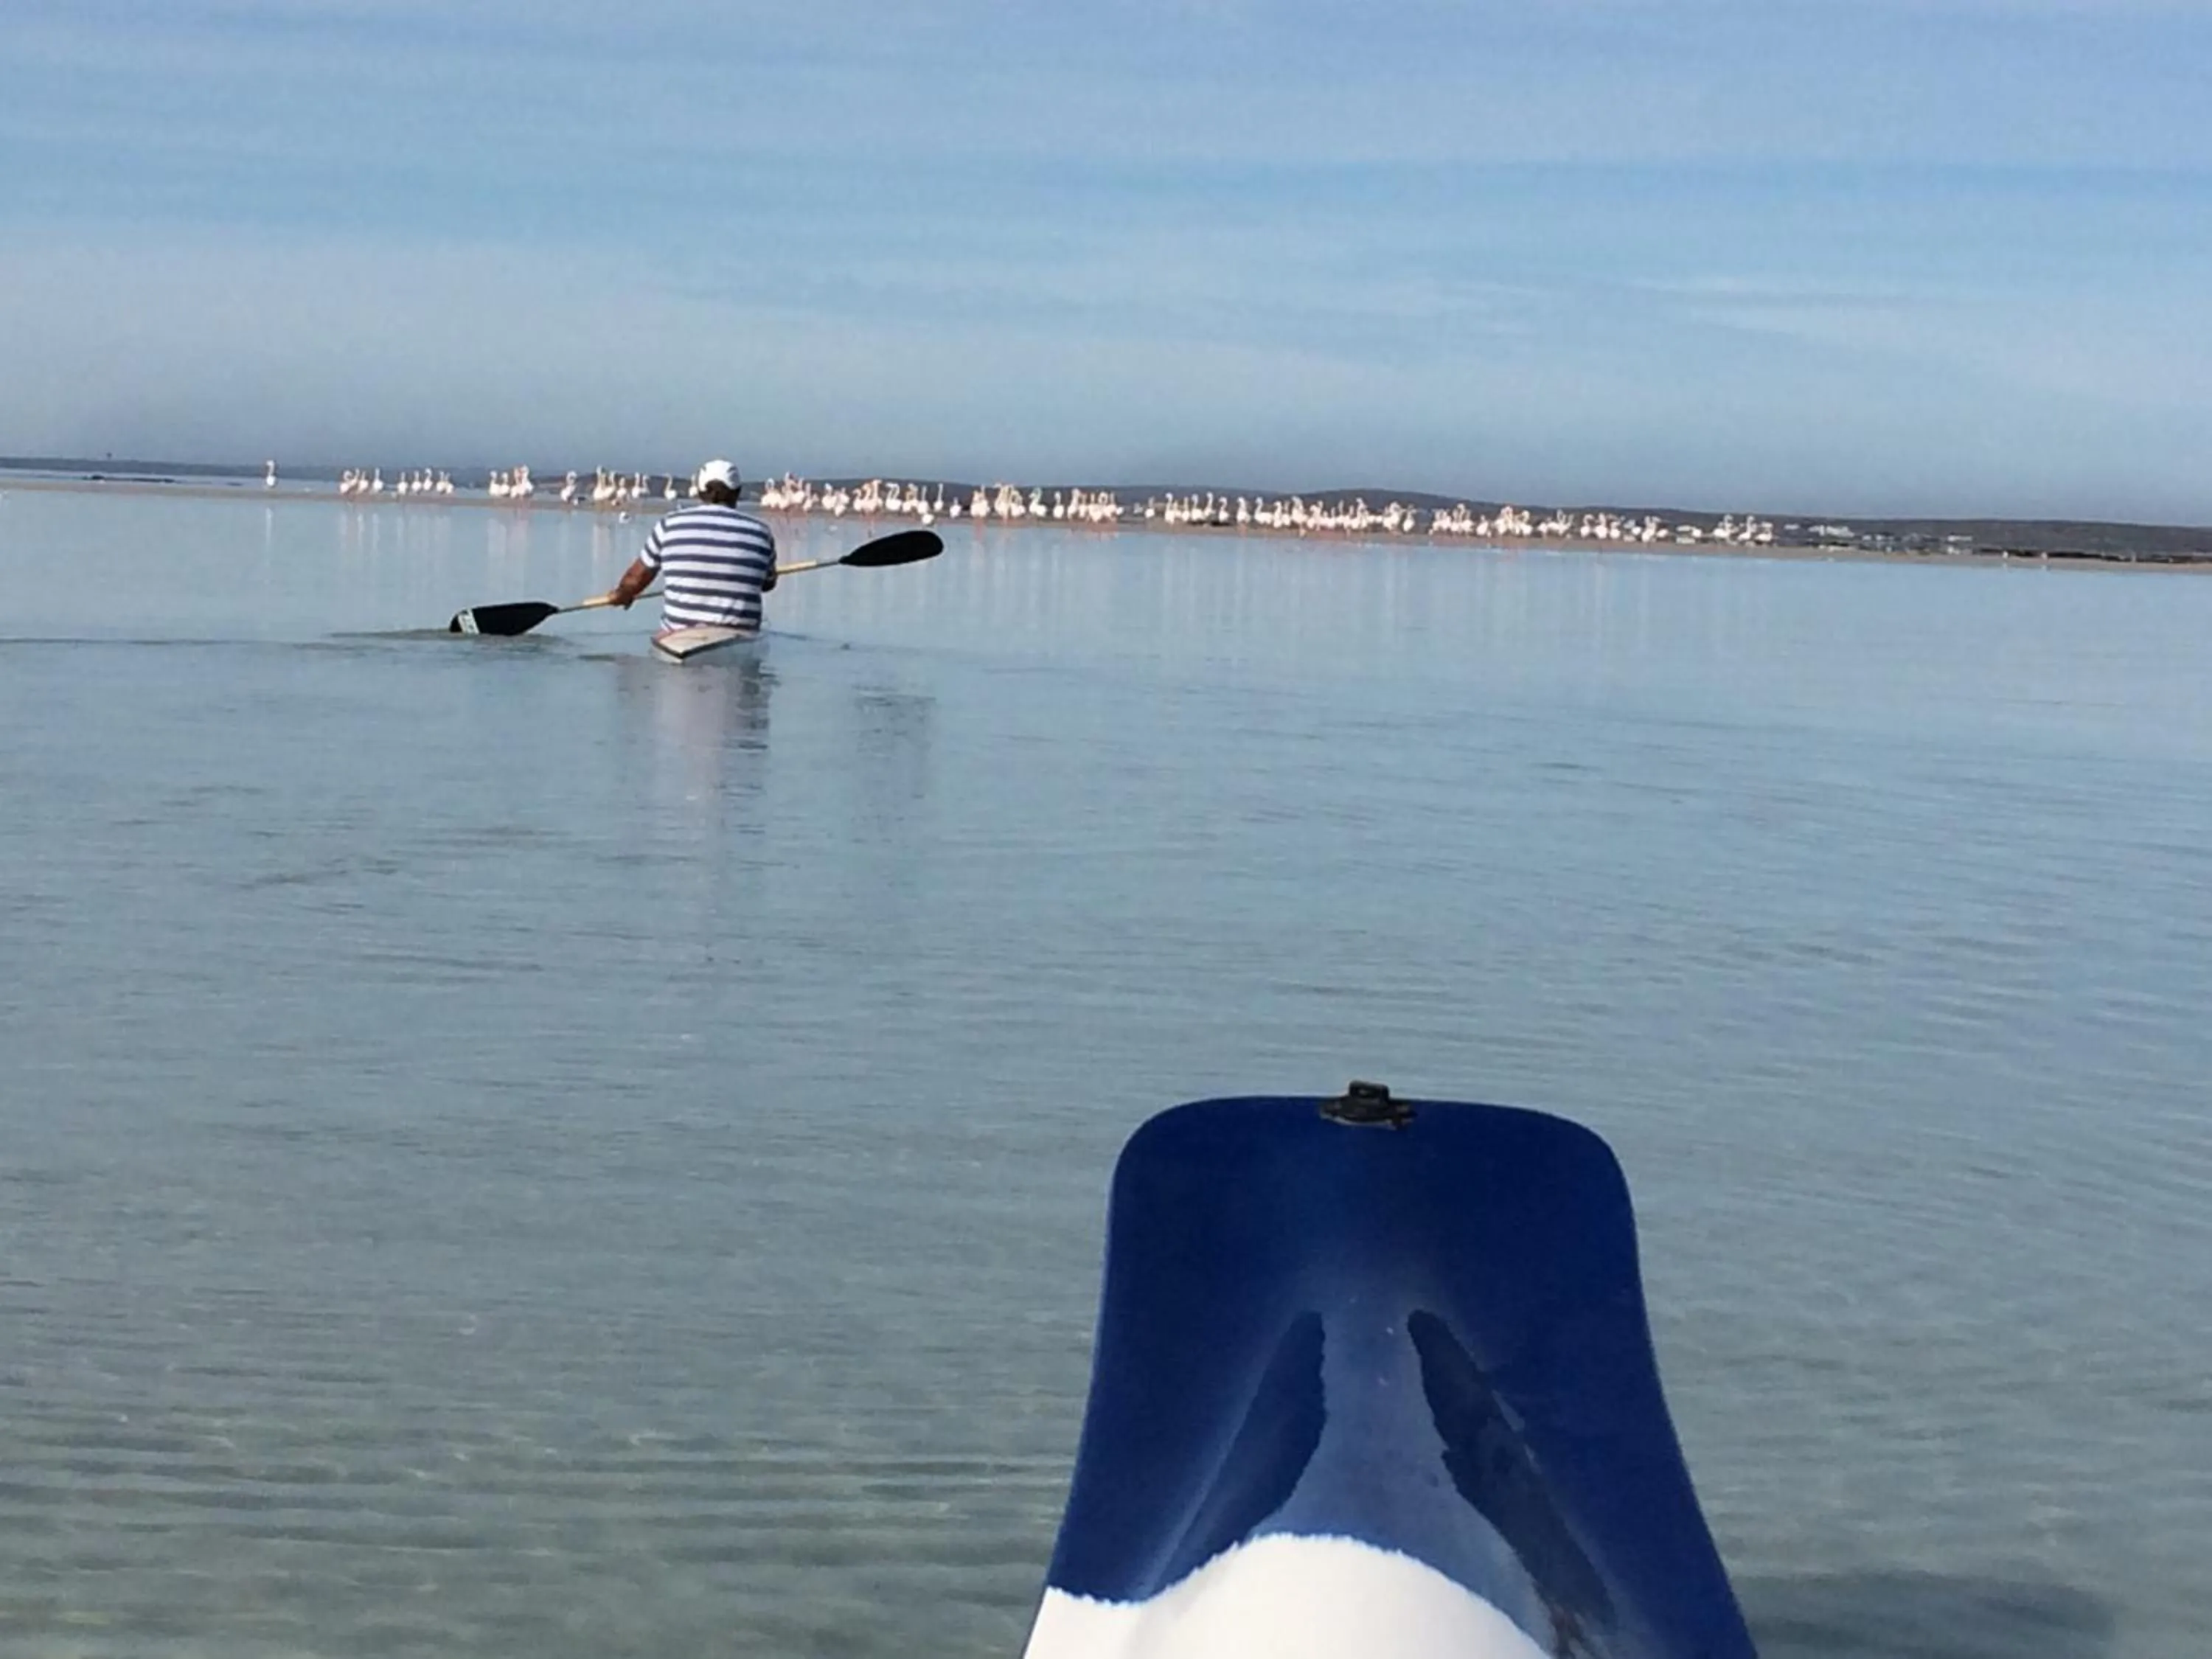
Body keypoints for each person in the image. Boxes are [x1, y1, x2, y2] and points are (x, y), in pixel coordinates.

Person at [606, 459, 778, 634]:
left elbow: (636, 578)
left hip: (678, 635)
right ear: (737, 492)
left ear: (700, 491)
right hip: (740, 634)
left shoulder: (669, 525)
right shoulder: (762, 532)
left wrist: (625, 593)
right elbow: (767, 584)